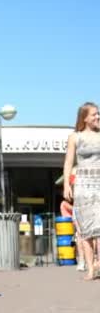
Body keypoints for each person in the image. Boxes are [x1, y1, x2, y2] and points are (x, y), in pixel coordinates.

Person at [63, 102, 100, 280]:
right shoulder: (75, 137)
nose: (97, 117)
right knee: (85, 230)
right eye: (94, 114)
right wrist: (66, 185)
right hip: (83, 185)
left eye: (98, 114)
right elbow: (69, 163)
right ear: (84, 117)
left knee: (99, 227)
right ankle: (91, 269)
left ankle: (98, 263)